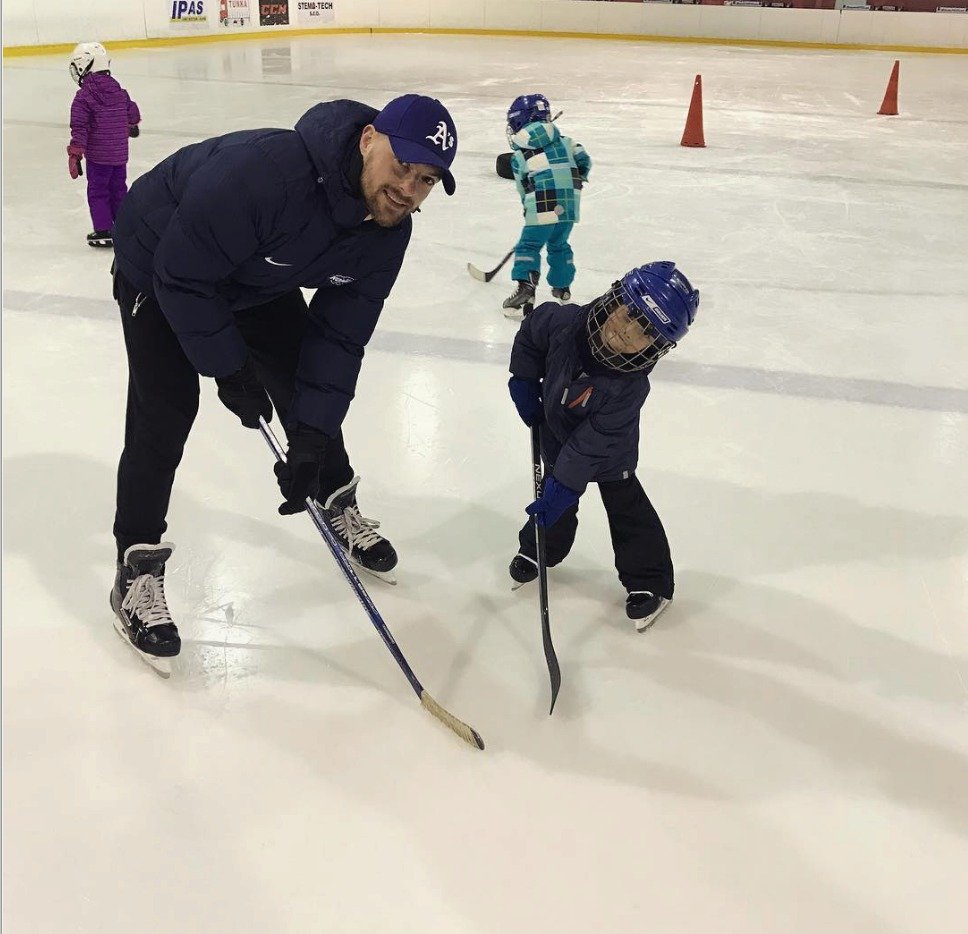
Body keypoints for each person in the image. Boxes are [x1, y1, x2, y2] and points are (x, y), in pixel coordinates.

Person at [108, 94, 458, 672]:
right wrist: (230, 369)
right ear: (369, 139)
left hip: (255, 274)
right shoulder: (268, 176)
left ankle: (332, 491)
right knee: (165, 411)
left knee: (305, 385)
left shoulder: (387, 232)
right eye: (402, 166)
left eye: (426, 180)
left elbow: (339, 338)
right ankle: (135, 568)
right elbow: (184, 275)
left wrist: (312, 436)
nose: (408, 189)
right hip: (159, 262)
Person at [506, 261, 699, 631]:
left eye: (645, 330)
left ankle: (649, 581)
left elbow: (588, 449)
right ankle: (540, 548)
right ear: (616, 298)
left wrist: (564, 486)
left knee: (623, 507)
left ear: (657, 346)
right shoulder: (563, 323)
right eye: (630, 314)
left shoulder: (629, 388)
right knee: (552, 497)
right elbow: (531, 335)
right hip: (556, 429)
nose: (627, 332)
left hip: (608, 452)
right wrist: (524, 379)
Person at [501, 93, 591, 318]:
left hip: (542, 205)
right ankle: (563, 289)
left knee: (528, 246)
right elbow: (584, 159)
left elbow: (524, 187)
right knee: (559, 244)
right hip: (570, 206)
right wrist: (574, 183)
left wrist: (527, 208)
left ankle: (525, 289)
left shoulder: (520, 154)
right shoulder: (566, 141)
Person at [66, 42, 141, 248]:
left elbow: (80, 127)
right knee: (119, 189)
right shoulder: (118, 89)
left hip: (98, 157)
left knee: (98, 191)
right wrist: (131, 124)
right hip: (119, 155)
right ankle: (124, 226)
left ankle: (103, 230)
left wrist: (75, 154)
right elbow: (132, 111)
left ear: (84, 65)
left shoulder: (84, 96)